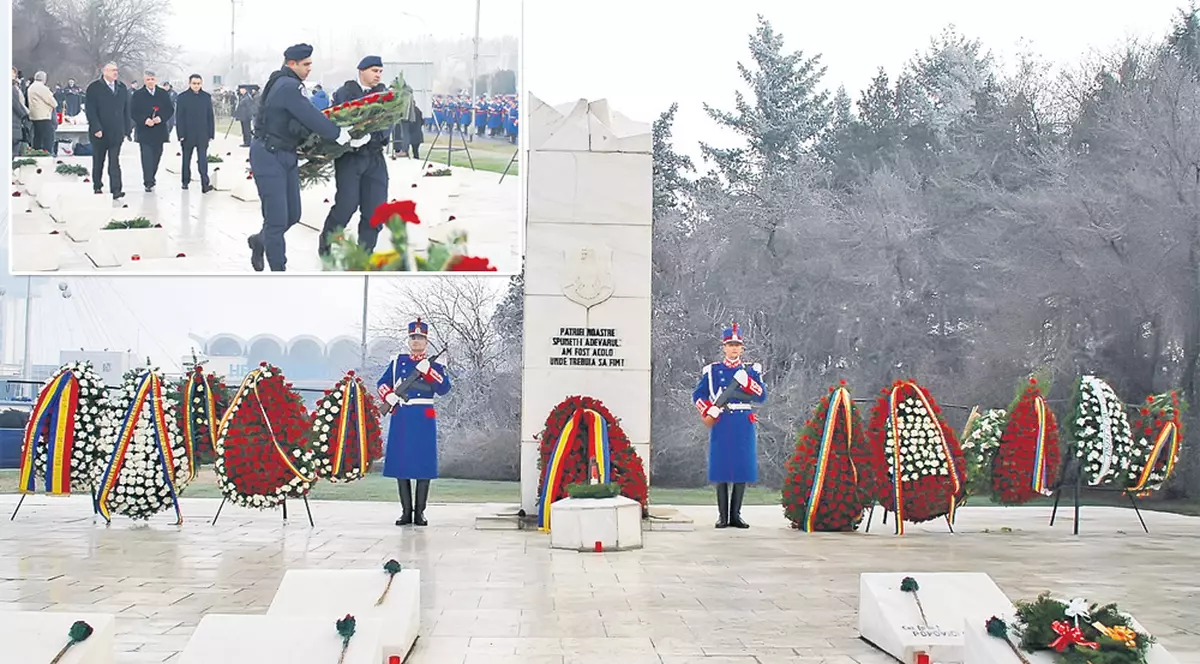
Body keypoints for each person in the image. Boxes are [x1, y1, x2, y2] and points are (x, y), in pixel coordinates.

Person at [249, 43, 360, 271]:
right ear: (292, 64)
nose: (310, 68)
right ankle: (279, 272)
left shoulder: (287, 83)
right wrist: (337, 134)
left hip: (285, 154)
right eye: (306, 64)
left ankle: (260, 241)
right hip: (269, 156)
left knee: (292, 215)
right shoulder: (288, 86)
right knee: (277, 219)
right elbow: (309, 115)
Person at [377, 318, 452, 526]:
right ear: (408, 341)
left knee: (422, 465)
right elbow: (382, 383)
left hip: (423, 417)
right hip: (402, 415)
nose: (416, 342)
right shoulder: (397, 363)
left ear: (426, 341)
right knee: (402, 465)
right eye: (413, 338)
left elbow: (444, 388)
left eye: (420, 338)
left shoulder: (435, 364)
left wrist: (429, 371)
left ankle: (420, 512)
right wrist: (388, 396)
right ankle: (405, 512)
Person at [692, 323, 767, 529]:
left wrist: (747, 383)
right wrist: (708, 410)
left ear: (742, 348)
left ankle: (736, 515)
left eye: (737, 345)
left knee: (742, 468)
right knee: (722, 467)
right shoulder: (713, 371)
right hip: (722, 420)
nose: (734, 348)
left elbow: (761, 396)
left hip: (743, 421)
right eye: (730, 344)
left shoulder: (751, 370)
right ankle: (723, 516)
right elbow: (698, 395)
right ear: (724, 347)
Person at [317, 55, 391, 256]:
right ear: (362, 71)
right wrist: (353, 136)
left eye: (380, 71)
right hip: (350, 157)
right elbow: (338, 118)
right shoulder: (345, 92)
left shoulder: (384, 94)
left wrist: (374, 136)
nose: (378, 75)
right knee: (346, 205)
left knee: (375, 208)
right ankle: (327, 239)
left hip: (374, 156)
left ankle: (365, 252)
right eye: (374, 71)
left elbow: (389, 122)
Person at [84, 62, 133, 200]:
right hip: (100, 132)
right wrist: (96, 127)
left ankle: (116, 189)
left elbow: (126, 109)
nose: (115, 73)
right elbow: (91, 110)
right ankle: (97, 185)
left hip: (117, 131)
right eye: (112, 70)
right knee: (99, 160)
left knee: (114, 161)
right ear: (104, 71)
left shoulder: (122, 87)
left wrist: (127, 129)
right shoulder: (94, 88)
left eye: (116, 70)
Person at [130, 69, 175, 192]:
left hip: (159, 131)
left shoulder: (162, 93)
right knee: (146, 157)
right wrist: (144, 120)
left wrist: (161, 118)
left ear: (156, 80)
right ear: (144, 80)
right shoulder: (138, 94)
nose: (150, 82)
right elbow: (133, 112)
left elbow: (169, 109)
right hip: (144, 131)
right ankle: (148, 181)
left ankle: (152, 176)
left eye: (152, 79)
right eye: (148, 80)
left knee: (156, 155)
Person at [175, 74, 215, 192]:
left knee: (203, 159)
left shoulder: (206, 97)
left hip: (203, 134)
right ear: (190, 84)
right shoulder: (182, 97)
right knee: (186, 159)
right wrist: (180, 134)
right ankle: (185, 181)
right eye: (194, 83)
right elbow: (179, 117)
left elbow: (210, 116)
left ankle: (205, 183)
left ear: (201, 84)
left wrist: (211, 133)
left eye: (198, 83)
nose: (196, 86)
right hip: (187, 135)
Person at [26, 71, 57, 154]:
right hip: (44, 116)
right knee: (49, 137)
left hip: (34, 115)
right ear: (44, 79)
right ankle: (48, 153)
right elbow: (52, 102)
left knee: (37, 137)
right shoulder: (42, 88)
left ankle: (36, 153)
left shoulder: (31, 87)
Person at [12, 67, 30, 156]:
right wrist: (25, 114)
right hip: (14, 121)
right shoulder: (12, 89)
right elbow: (17, 105)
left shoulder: (15, 87)